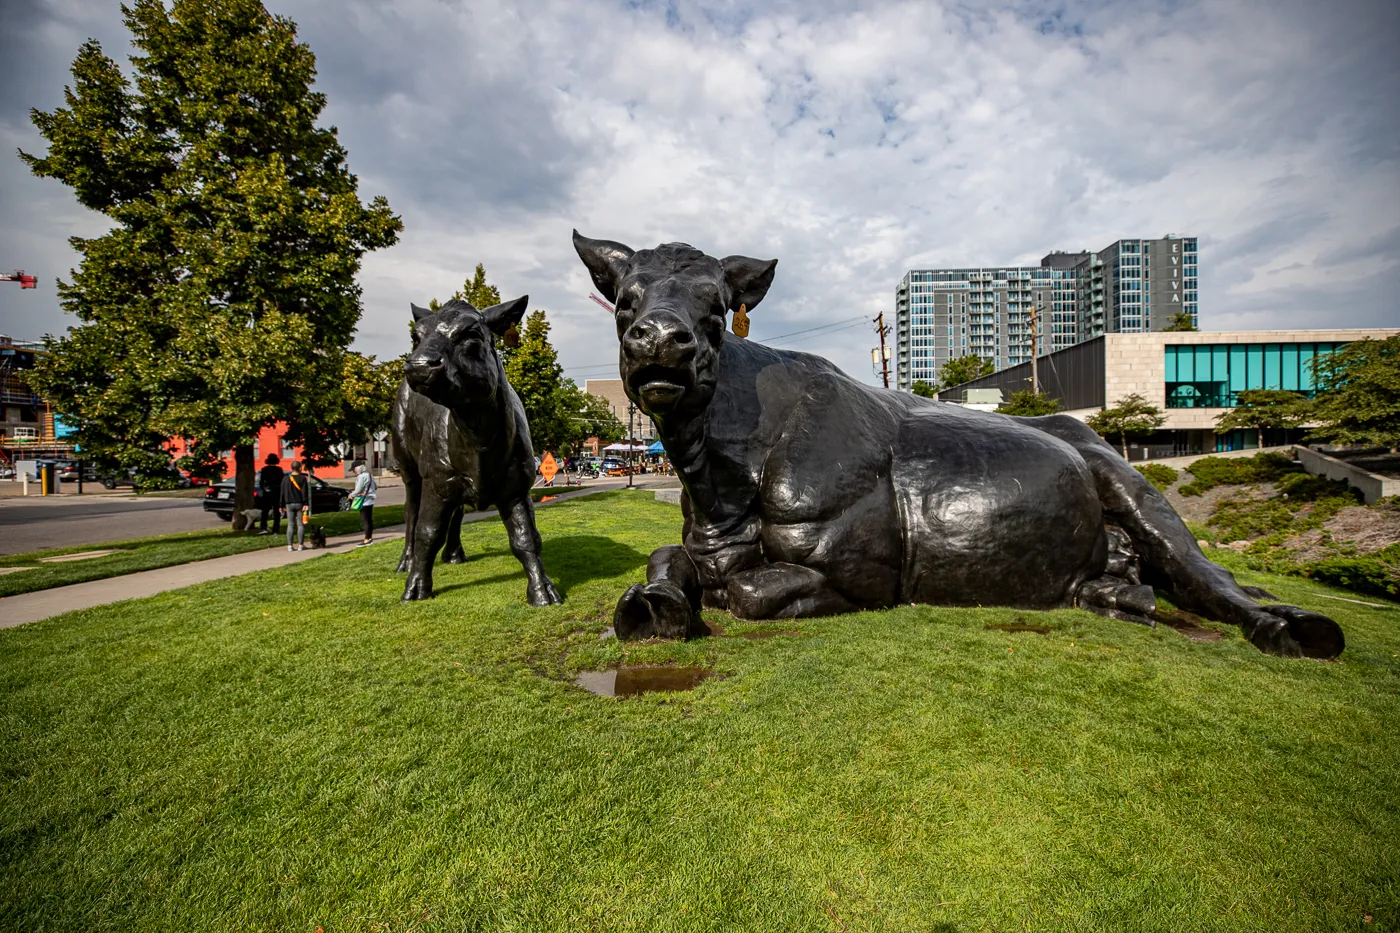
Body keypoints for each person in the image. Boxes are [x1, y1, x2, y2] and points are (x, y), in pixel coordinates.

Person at [279, 460, 312, 551]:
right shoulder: (302, 479)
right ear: (300, 468)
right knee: (300, 525)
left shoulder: (285, 479)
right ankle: (301, 545)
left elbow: (282, 493)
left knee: (290, 524)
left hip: (288, 504)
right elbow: (305, 492)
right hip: (299, 504)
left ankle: (290, 546)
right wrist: (306, 503)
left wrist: (281, 506)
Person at [351, 461, 377, 547]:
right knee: (369, 520)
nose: (354, 472)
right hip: (371, 499)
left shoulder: (361, 477)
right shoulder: (370, 475)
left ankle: (366, 540)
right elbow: (375, 487)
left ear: (358, 469)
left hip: (364, 500)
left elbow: (358, 490)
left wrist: (351, 495)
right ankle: (369, 538)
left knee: (365, 520)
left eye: (354, 470)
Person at [257, 453, 284, 535]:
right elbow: (281, 481)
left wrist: (264, 489)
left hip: (267, 492)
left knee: (265, 511)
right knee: (276, 512)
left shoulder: (264, 469)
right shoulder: (279, 470)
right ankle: (276, 529)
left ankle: (263, 527)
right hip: (277, 492)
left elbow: (261, 482)